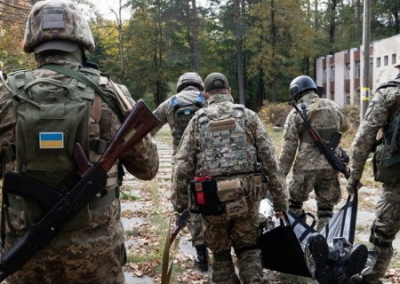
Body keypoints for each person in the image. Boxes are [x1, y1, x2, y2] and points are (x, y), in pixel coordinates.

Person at [0, 0, 159, 283]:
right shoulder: (109, 92)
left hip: (25, 255)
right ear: (82, 39)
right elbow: (148, 168)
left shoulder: (4, 94)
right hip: (97, 254)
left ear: (32, 40)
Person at [171, 72, 288, 284]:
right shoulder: (249, 117)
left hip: (212, 201)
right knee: (248, 247)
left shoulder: (198, 120)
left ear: (206, 94)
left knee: (221, 254)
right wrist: (281, 201)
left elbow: (182, 166)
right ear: (229, 91)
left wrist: (179, 205)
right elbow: (271, 162)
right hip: (246, 198)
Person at [151, 72, 209, 271]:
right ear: (200, 86)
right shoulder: (207, 102)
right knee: (210, 203)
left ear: (180, 86)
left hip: (181, 164)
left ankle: (201, 254)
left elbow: (149, 129)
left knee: (187, 207)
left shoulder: (170, 103)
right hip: (206, 164)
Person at [346, 73, 400, 284]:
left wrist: (354, 176)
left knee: (382, 236)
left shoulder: (389, 93)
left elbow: (364, 137)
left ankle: (371, 278)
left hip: (396, 184)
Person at [279, 75, 350, 231]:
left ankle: (302, 235)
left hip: (306, 168)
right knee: (326, 210)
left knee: (294, 204)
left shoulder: (296, 113)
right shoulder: (333, 106)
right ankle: (324, 242)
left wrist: (279, 177)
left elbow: (288, 149)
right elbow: (346, 126)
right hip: (331, 164)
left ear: (296, 93)